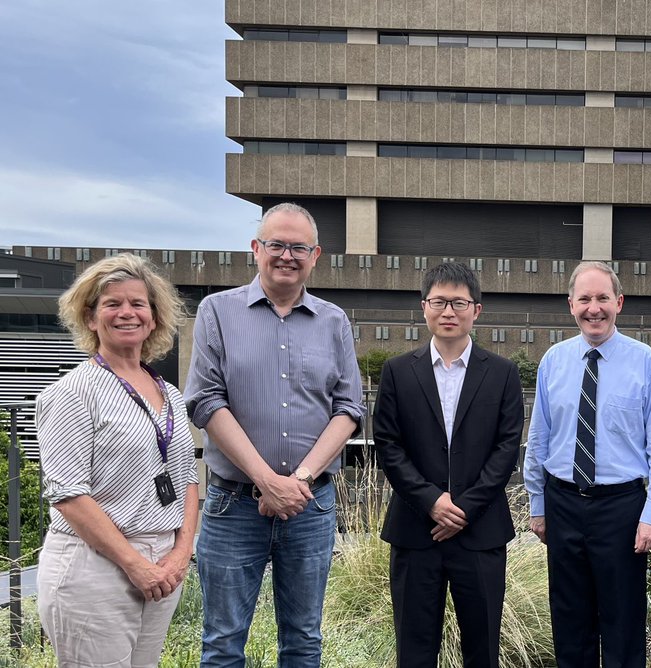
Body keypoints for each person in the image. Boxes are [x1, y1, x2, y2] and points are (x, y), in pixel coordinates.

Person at [184, 202, 365, 666]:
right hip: (233, 505)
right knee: (223, 644)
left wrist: (297, 481)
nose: (287, 255)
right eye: (276, 244)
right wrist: (266, 479)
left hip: (311, 506)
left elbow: (348, 409)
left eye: (298, 247)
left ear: (316, 255)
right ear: (255, 249)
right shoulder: (217, 312)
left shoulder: (333, 321)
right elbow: (206, 401)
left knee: (304, 641)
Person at [35, 253, 199, 668]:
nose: (127, 313)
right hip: (98, 567)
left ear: (154, 316)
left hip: (163, 565)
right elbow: (68, 494)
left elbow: (188, 481)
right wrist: (136, 565)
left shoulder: (169, 394)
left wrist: (180, 555)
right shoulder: (74, 392)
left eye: (137, 303)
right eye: (112, 304)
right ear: (90, 319)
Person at [523, 260, 651, 668]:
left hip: (621, 509)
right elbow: (538, 438)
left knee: (623, 621)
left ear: (619, 302)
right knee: (570, 620)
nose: (595, 308)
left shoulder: (644, 361)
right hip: (562, 502)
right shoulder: (553, 361)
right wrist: (537, 505)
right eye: (585, 298)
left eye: (603, 298)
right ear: (570, 304)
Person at [373, 262, 524, 668]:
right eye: (439, 301)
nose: (448, 311)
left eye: (459, 302)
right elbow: (388, 444)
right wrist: (431, 501)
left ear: (477, 310)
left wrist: (465, 508)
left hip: (481, 531)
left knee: (482, 649)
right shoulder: (398, 371)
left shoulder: (503, 373)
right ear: (424, 307)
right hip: (415, 530)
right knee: (415, 650)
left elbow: (507, 447)